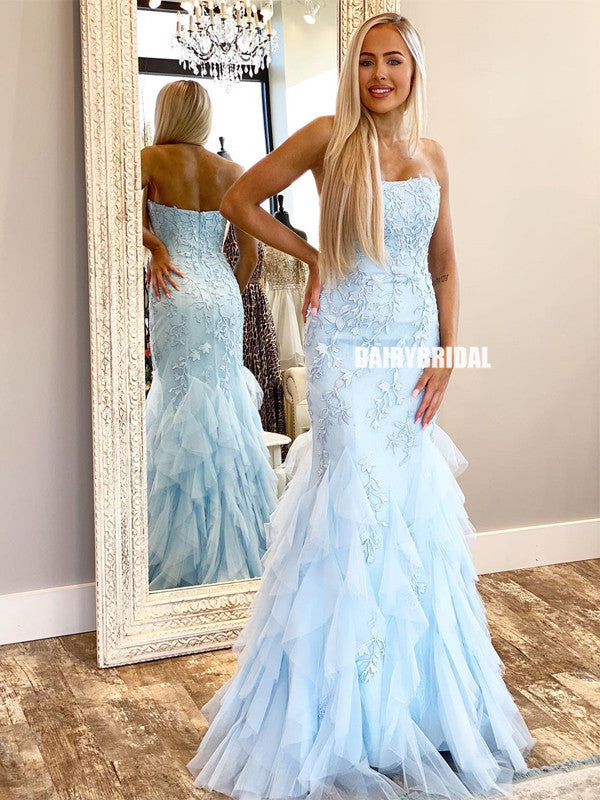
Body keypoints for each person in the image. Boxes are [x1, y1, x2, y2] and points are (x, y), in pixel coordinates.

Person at [186, 13, 535, 798]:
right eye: (368, 61)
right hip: (344, 348)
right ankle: (337, 719)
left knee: (408, 511)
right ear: (355, 71)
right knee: (353, 505)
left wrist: (447, 354)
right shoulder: (327, 137)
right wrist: (311, 254)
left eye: (394, 61)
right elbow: (240, 200)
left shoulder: (432, 155)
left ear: (414, 70)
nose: (380, 74)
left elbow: (445, 267)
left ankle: (407, 710)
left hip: (409, 352)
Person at [141, 80, 278, 589]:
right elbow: (250, 255)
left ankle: (183, 553)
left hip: (174, 286)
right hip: (222, 294)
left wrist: (157, 247)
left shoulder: (149, 159)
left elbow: (116, 216)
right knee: (225, 405)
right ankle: (241, 548)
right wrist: (225, 295)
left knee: (179, 399)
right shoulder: (232, 171)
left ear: (167, 112)